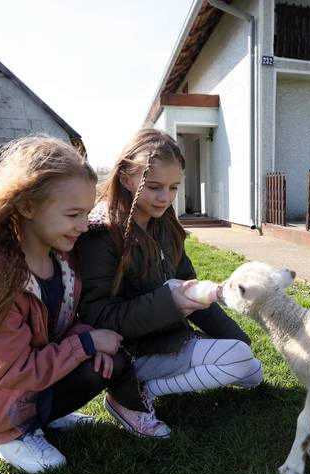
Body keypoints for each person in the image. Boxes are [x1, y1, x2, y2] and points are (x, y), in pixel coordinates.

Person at [0, 135, 148, 474]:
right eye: (73, 213)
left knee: (105, 363)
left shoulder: (62, 259)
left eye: (87, 213)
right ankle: (12, 435)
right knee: (92, 356)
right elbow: (13, 371)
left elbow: (58, 325)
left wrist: (90, 338)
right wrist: (88, 343)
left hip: (32, 378)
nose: (84, 225)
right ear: (27, 206)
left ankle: (46, 416)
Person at [76, 128, 263, 439]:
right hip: (132, 353)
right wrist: (169, 303)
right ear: (126, 178)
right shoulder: (102, 234)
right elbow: (97, 316)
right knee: (237, 359)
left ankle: (166, 375)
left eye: (174, 187)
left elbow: (193, 290)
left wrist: (233, 335)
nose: (166, 197)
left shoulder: (166, 226)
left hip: (173, 338)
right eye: (154, 187)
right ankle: (131, 395)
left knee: (252, 369)